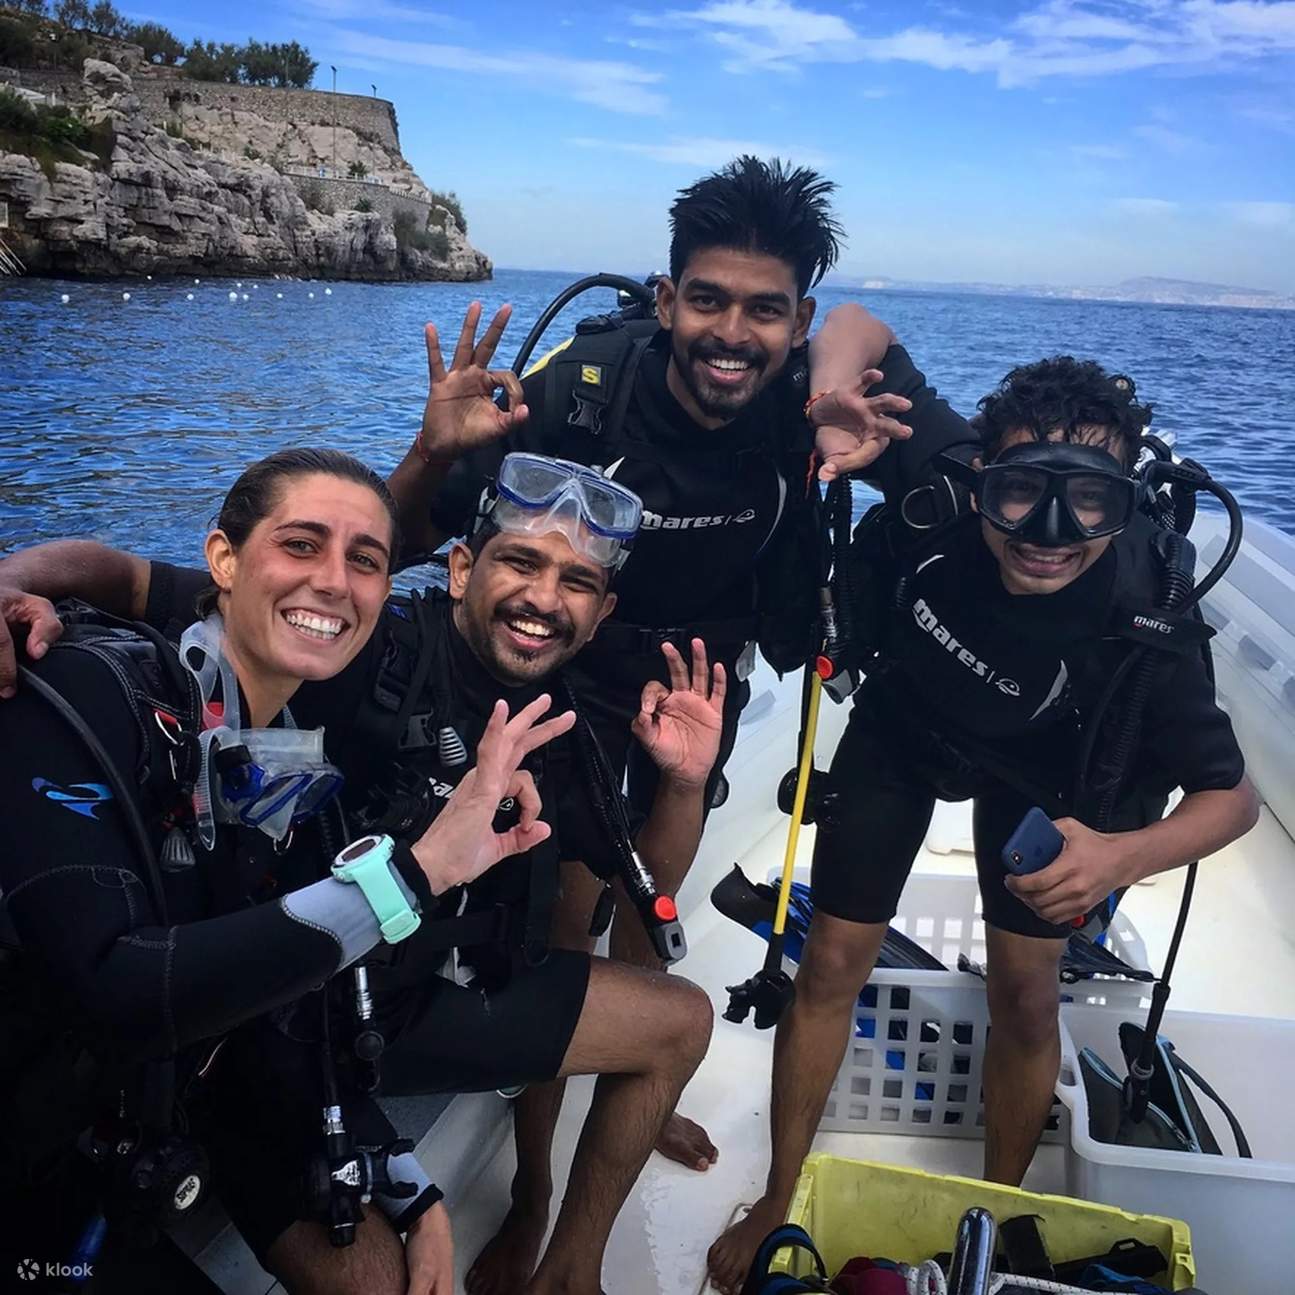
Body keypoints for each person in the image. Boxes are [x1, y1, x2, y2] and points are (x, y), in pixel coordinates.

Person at [0, 451, 723, 1295]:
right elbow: (116, 574)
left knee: (676, 1016)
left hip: (337, 1020)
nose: (540, 598)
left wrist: (683, 781)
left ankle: (563, 1259)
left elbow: (645, 879)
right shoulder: (344, 646)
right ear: (459, 568)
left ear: (598, 617)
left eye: (574, 581)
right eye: (521, 561)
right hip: (244, 1033)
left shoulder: (553, 728)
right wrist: (10, 576)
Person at [381, 160, 908, 1286]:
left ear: (797, 321)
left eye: (764, 309)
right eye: (706, 299)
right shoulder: (578, 390)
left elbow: (870, 338)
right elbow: (404, 538)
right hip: (563, 662)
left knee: (651, 899)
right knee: (560, 916)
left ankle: (631, 1095)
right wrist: (431, 448)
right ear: (664, 300)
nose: (731, 331)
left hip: (690, 671)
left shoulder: (799, 404)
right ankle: (531, 1189)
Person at [705, 343, 1260, 1292]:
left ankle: (994, 1208)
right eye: (1019, 494)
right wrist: (835, 382)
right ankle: (776, 1189)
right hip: (902, 726)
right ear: (980, 478)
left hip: (1046, 773)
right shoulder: (940, 470)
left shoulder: (1143, 613)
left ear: (1125, 498)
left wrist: (1119, 855)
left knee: (1024, 992)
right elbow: (855, 322)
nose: (1048, 529)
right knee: (831, 961)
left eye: (1088, 498)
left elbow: (1233, 799)